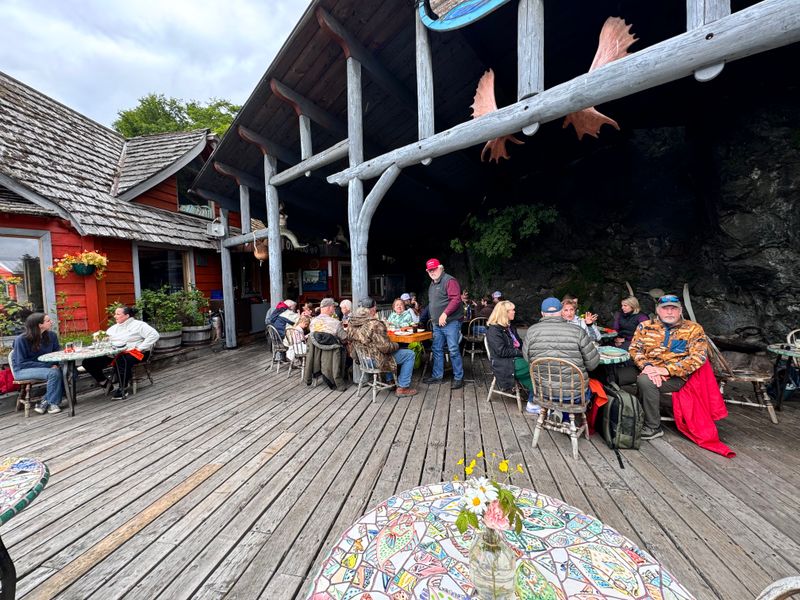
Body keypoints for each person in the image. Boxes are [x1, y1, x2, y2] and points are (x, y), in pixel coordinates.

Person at [629, 294, 708, 440]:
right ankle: (618, 414)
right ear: (658, 310)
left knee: (646, 381)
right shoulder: (645, 326)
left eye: (674, 308)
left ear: (680, 311)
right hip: (646, 367)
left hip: (676, 376)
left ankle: (653, 426)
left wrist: (665, 370)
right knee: (611, 373)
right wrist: (646, 366)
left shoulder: (693, 329)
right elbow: (635, 349)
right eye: (665, 308)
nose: (670, 312)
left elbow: (698, 358)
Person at [522, 297, 600, 411]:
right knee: (596, 386)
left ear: (542, 313)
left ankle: (557, 414)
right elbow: (592, 365)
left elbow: (527, 359)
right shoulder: (578, 332)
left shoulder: (531, 332)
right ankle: (566, 417)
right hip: (574, 395)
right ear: (561, 312)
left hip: (543, 392)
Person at [82, 306, 159, 400]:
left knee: (121, 360)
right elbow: (106, 341)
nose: (115, 316)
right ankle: (105, 383)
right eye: (115, 314)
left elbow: (154, 335)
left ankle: (123, 388)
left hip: (137, 352)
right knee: (88, 362)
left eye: (118, 314)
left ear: (127, 315)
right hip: (115, 353)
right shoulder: (113, 328)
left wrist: (140, 348)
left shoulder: (139, 325)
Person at [347, 298, 417, 397]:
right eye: (375, 308)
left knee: (388, 352)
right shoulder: (374, 324)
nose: (376, 310)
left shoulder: (352, 322)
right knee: (409, 354)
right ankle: (403, 387)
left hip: (362, 359)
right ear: (372, 310)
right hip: (375, 360)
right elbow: (385, 348)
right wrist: (398, 345)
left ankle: (389, 381)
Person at [486, 301, 540, 413]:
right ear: (504, 313)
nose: (514, 312)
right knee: (535, 367)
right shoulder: (494, 330)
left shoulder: (510, 327)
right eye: (512, 310)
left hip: (514, 358)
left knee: (538, 365)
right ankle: (533, 401)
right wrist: (521, 353)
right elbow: (501, 351)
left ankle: (537, 397)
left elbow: (520, 343)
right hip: (504, 363)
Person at [421, 258, 465, 389]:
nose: (432, 272)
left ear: (441, 268)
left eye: (434, 269)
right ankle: (437, 376)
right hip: (436, 324)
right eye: (430, 270)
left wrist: (445, 314)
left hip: (451, 322)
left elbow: (456, 300)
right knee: (437, 349)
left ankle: (458, 377)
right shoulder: (432, 284)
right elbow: (433, 304)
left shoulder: (449, 280)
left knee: (453, 349)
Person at [11, 312, 63, 414]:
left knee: (70, 371)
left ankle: (44, 401)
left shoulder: (52, 336)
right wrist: (49, 366)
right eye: (48, 321)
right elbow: (21, 363)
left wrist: (55, 364)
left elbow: (57, 354)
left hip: (46, 368)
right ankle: (52, 403)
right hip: (22, 370)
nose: (51, 322)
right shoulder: (21, 340)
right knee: (54, 373)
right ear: (40, 325)